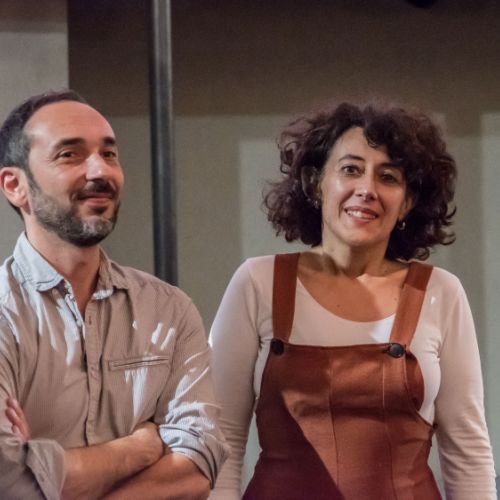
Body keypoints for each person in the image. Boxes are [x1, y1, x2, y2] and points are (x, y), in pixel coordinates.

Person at [208, 102, 497, 499]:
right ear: (315, 184)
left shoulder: (440, 292)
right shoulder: (256, 282)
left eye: (388, 177)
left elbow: (468, 451)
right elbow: (221, 437)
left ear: (407, 202)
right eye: (350, 169)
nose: (367, 189)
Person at [0, 90, 228, 500]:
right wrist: (140, 447)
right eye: (69, 155)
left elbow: (199, 462)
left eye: (109, 154)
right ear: (15, 185)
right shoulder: (5, 313)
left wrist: (46, 467)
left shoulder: (169, 309)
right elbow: (7, 479)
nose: (100, 171)